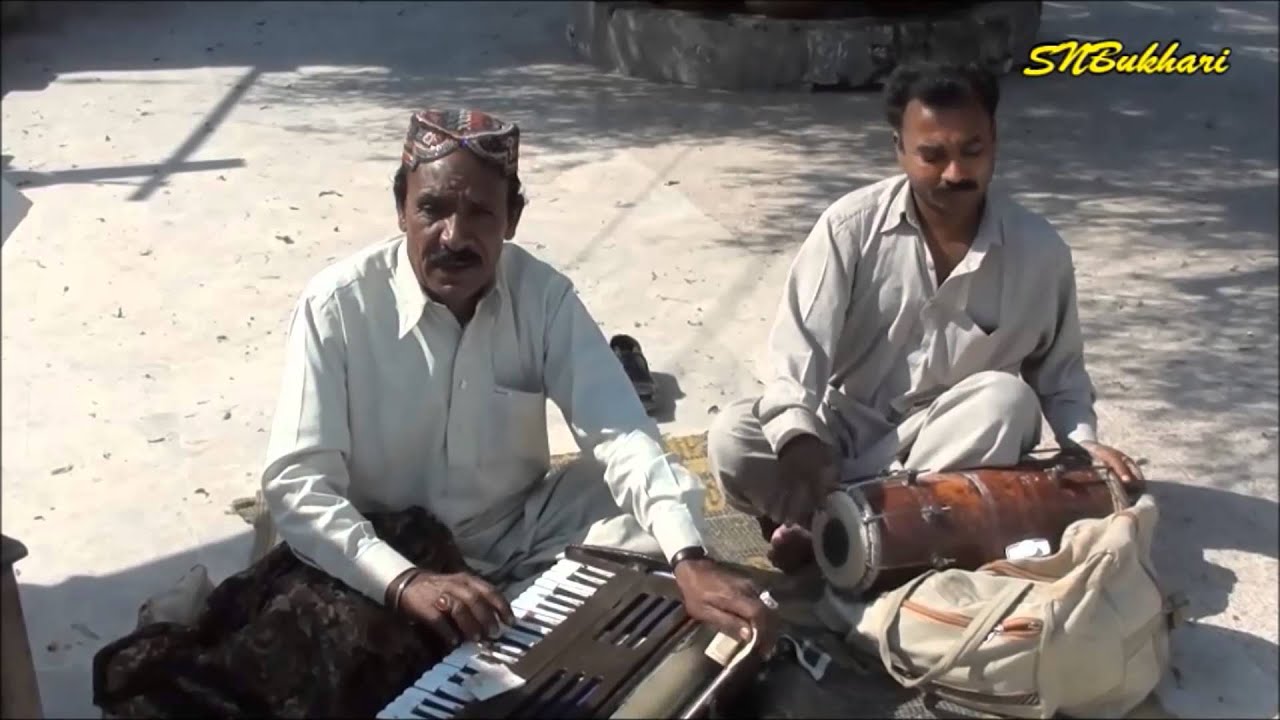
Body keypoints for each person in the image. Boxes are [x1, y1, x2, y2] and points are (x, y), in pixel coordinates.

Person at [92, 109, 774, 719]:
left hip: (516, 532)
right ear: (401, 210)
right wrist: (407, 582)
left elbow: (621, 432)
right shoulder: (337, 307)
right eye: (433, 210)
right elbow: (298, 486)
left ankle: (522, 617)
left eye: (480, 214)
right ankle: (196, 618)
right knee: (335, 671)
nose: (454, 235)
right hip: (385, 545)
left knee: (652, 525)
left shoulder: (544, 297)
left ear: (512, 218)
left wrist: (689, 557)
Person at [707, 61, 1145, 573]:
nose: (955, 173)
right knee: (735, 436)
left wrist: (1083, 443)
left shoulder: (1040, 252)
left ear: (994, 141)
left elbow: (1061, 372)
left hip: (951, 440)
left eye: (972, 152)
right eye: (933, 156)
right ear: (899, 149)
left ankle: (835, 526)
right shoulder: (849, 228)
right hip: (846, 432)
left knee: (1006, 402)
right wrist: (800, 439)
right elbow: (798, 351)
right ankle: (859, 523)